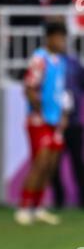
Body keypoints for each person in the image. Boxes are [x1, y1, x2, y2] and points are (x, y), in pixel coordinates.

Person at [15, 22, 69, 225]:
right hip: (40, 120)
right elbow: (29, 88)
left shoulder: (60, 61)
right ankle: (23, 206)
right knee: (40, 161)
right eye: (58, 37)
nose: (62, 42)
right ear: (50, 38)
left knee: (50, 165)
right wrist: (40, 110)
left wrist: (62, 115)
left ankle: (37, 207)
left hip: (55, 120)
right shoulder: (40, 59)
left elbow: (59, 92)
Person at [52, 54, 84, 207]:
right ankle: (59, 199)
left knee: (77, 162)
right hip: (54, 122)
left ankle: (82, 199)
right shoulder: (47, 62)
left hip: (73, 122)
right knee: (52, 163)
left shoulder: (74, 63)